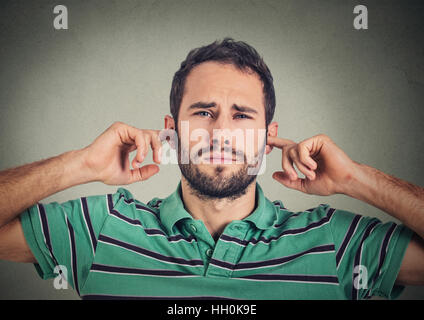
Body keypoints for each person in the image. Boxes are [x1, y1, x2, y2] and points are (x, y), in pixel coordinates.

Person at [0, 38, 423, 300]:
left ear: (268, 135)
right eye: (203, 112)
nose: (221, 132)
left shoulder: (333, 242)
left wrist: (354, 179)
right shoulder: (103, 227)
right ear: (171, 130)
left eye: (242, 116)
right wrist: (82, 164)